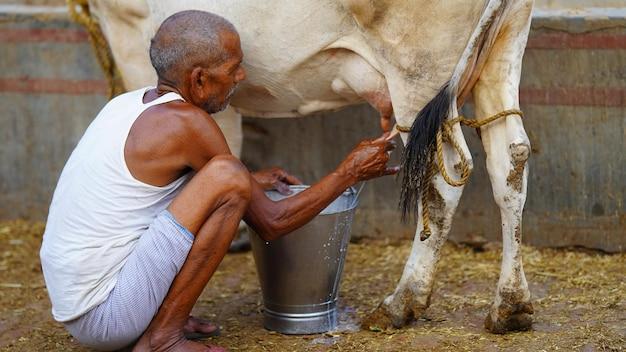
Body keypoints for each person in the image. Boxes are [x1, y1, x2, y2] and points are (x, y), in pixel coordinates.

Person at [40, 10, 398, 352]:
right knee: (229, 175)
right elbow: (271, 222)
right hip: (107, 317)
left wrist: (252, 179)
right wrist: (349, 171)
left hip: (83, 307)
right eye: (233, 68)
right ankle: (162, 337)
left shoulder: (129, 104)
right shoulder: (187, 123)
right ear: (198, 79)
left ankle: (156, 318)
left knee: (233, 176)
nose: (241, 76)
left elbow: (155, 193)